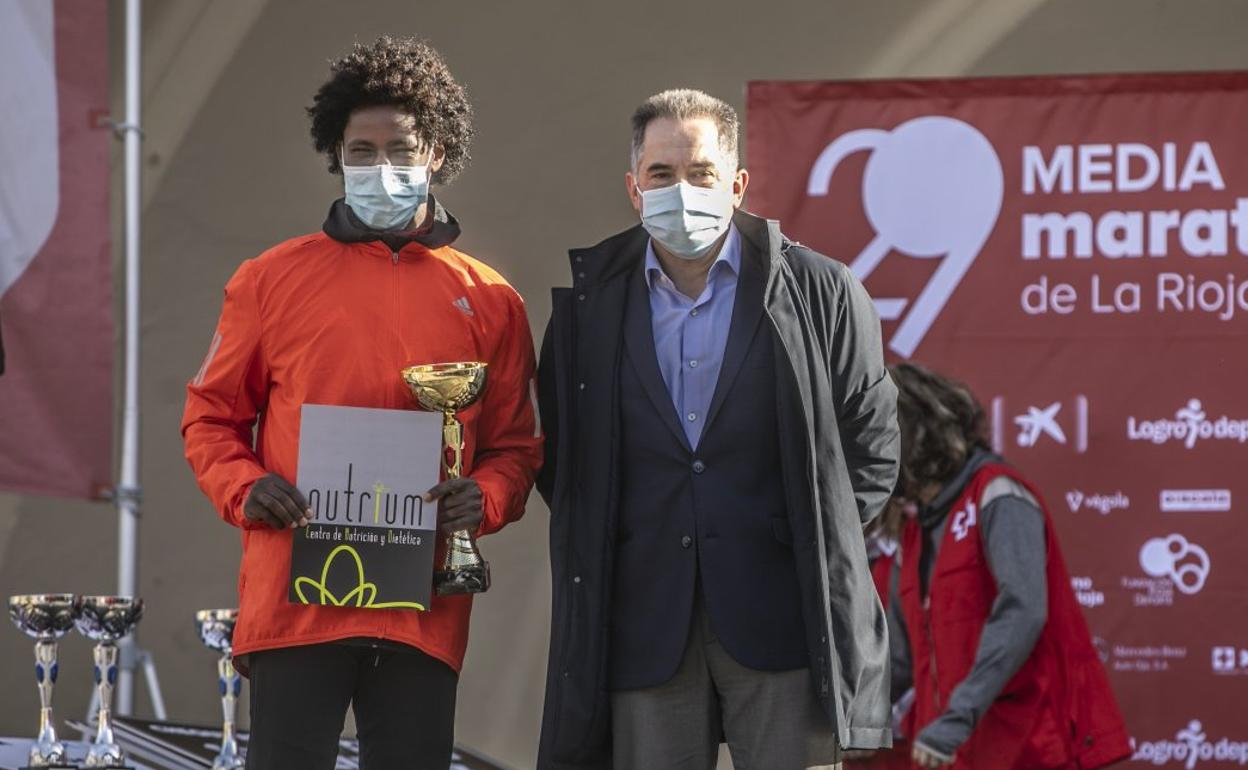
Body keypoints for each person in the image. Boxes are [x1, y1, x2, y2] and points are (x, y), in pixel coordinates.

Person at [181, 37, 541, 770]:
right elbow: (209, 418)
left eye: (401, 147)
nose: (383, 167)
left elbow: (516, 446)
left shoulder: (492, 299)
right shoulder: (268, 280)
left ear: (436, 151)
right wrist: (247, 488)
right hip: (294, 600)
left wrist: (488, 497)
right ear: (335, 154)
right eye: (362, 149)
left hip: (423, 606)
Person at [536, 88, 900, 770]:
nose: (682, 191)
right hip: (644, 625)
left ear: (736, 183)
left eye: (700, 173)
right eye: (662, 175)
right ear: (633, 188)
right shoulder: (588, 311)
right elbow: (565, 464)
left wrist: (811, 541)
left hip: (784, 623)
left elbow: (871, 448)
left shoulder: (822, 290)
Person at [886, 363, 1130, 770]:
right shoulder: (916, 528)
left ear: (910, 437)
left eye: (873, 438)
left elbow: (1022, 612)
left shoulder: (997, 494)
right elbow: (903, 657)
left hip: (1030, 747)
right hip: (957, 753)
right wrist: (851, 724)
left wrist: (955, 720)